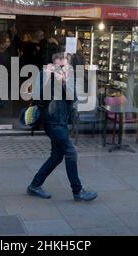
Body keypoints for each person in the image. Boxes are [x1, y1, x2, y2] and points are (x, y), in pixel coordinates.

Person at [27, 52, 98, 202]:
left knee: (57, 156)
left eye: (65, 66)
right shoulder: (43, 74)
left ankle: (34, 185)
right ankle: (77, 191)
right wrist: (47, 77)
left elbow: (73, 98)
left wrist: (65, 83)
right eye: (59, 66)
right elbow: (37, 95)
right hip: (51, 122)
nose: (63, 69)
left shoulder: (68, 76)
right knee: (71, 152)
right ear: (53, 63)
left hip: (62, 121)